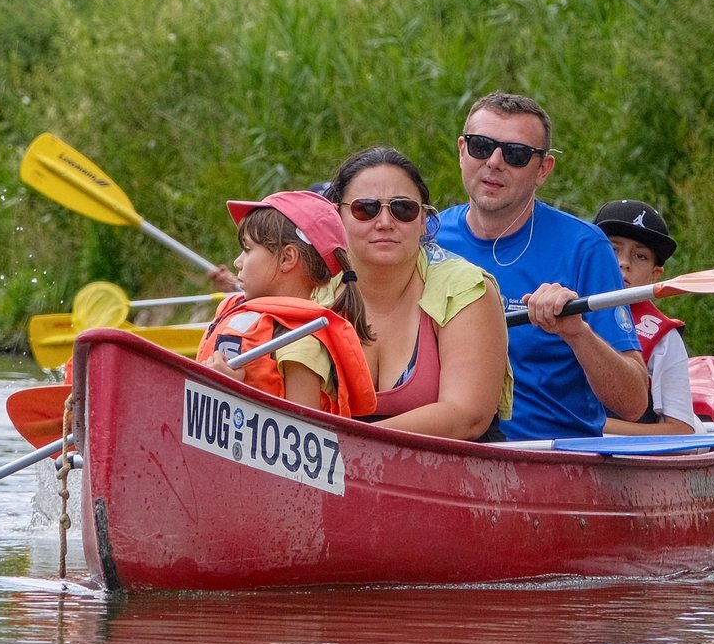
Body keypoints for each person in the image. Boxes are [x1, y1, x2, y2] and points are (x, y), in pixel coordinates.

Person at [435, 92, 648, 440]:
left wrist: (577, 334)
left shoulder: (585, 247)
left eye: (516, 155)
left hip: (548, 457)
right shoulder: (427, 240)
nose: (494, 162)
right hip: (448, 451)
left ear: (543, 170)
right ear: (462, 150)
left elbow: (634, 402)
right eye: (481, 146)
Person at [315, 146, 512, 442]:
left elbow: (468, 416)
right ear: (336, 216)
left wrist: (350, 441)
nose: (384, 222)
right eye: (365, 209)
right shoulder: (312, 287)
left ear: (423, 221)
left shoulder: (464, 287)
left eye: (402, 209)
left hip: (447, 474)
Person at [197, 190, 377, 418]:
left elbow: (299, 439)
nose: (237, 262)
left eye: (248, 249)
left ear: (287, 258)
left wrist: (234, 393)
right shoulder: (236, 311)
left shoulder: (301, 343)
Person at [592, 199, 698, 435]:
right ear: (589, 256)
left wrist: (592, 426)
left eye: (640, 256)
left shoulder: (664, 339)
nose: (624, 263)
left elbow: (680, 432)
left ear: (654, 274)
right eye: (613, 249)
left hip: (622, 457)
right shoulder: (559, 310)